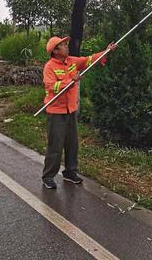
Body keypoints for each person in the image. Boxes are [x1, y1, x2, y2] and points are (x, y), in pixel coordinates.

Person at [41, 36, 117, 189]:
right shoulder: (49, 67)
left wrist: (106, 51)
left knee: (72, 144)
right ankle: (48, 176)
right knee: (55, 146)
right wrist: (70, 81)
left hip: (71, 110)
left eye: (66, 44)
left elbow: (89, 60)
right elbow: (50, 86)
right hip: (56, 111)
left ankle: (70, 172)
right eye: (63, 45)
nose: (66, 47)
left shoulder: (72, 61)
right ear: (55, 51)